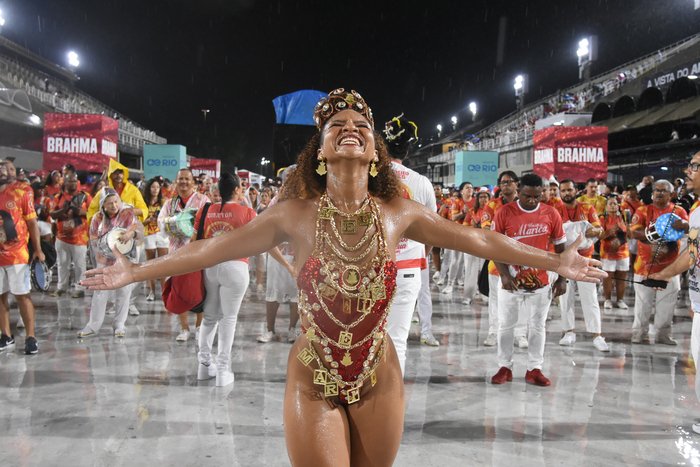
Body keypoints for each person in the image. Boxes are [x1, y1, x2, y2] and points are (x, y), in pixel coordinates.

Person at [83, 89, 605, 466]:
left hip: (379, 368)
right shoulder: (293, 213)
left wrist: (555, 262)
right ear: (322, 148)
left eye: (362, 125)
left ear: (377, 150)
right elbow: (210, 247)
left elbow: (482, 241)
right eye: (338, 125)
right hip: (313, 370)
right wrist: (135, 271)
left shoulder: (398, 210)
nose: (351, 127)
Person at [490, 174, 567, 386]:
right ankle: (504, 366)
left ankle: (534, 368)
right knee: (505, 325)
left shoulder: (551, 213)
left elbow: (561, 249)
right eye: (527, 196)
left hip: (541, 280)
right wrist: (504, 275)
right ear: (518, 192)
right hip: (510, 280)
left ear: (542, 193)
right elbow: (493, 246)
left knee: (538, 326)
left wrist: (562, 279)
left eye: (536, 196)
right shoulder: (504, 213)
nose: (532, 201)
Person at [384, 112, 440, 374]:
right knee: (397, 341)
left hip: (371, 268)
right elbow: (432, 232)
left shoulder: (367, 180)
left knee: (366, 341)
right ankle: (391, 408)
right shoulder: (422, 183)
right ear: (407, 150)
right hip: (408, 268)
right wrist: (421, 254)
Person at [649, 152, 700, 434]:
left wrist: (663, 274)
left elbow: (692, 254)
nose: (688, 170)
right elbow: (693, 253)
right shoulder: (695, 209)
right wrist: (663, 274)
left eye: (695, 166)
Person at [194, 173, 256, 386]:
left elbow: (195, 240)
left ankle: (203, 366)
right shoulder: (247, 212)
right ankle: (222, 370)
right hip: (236, 266)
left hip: (210, 266)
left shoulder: (206, 210)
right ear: (238, 190)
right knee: (229, 318)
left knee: (210, 317)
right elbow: (264, 239)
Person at [629, 179, 688, 345]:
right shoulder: (643, 210)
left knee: (667, 305)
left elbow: (688, 229)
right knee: (642, 305)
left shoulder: (679, 211)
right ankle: (639, 334)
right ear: (652, 193)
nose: (659, 193)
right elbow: (634, 232)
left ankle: (663, 335)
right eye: (656, 190)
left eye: (663, 191)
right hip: (644, 268)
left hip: (671, 269)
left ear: (671, 194)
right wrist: (654, 239)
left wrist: (683, 225)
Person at [78, 188, 143, 338]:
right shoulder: (97, 218)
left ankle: (119, 325)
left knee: (124, 291)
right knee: (100, 292)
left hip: (125, 260)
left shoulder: (127, 214)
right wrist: (100, 257)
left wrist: (130, 233)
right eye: (109, 203)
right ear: (103, 205)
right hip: (104, 260)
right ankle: (93, 326)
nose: (114, 206)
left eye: (116, 202)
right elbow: (93, 240)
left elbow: (138, 231)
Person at [555, 179, 609, 352]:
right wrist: (579, 230)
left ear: (575, 190)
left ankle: (597, 335)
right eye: (563, 191)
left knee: (590, 297)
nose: (566, 193)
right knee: (565, 298)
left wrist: (584, 230)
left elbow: (597, 230)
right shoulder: (555, 210)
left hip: (585, 258)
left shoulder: (587, 208)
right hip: (564, 260)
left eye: (569, 190)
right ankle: (568, 332)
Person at [158, 167, 210, 342]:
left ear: (193, 182)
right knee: (178, 291)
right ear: (176, 181)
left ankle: (199, 326)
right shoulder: (170, 203)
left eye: (187, 179)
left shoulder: (203, 200)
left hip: (198, 253)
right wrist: (174, 225)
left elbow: (208, 224)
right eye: (180, 179)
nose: (184, 182)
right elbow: (161, 223)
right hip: (177, 252)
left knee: (201, 289)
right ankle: (184, 328)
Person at [0, 160, 44, 354]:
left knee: (22, 296)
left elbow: (32, 223)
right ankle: (6, 336)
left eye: (8, 168)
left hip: (17, 254)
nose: (3, 170)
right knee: (0, 297)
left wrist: (38, 249)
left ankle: (30, 337)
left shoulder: (23, 190)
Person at [481, 171, 527, 348]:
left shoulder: (525, 204)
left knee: (521, 298)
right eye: (503, 182)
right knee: (495, 299)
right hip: (497, 261)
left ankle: (520, 334)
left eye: (509, 182)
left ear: (517, 184)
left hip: (521, 261)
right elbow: (487, 232)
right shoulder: (492, 205)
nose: (506, 185)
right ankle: (493, 332)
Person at [49, 172, 91, 298]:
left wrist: (80, 211)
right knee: (62, 264)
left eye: (74, 181)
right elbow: (52, 213)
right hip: (61, 237)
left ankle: (80, 288)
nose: (72, 183)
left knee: (79, 265)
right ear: (64, 182)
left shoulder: (85, 196)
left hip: (80, 238)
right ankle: (61, 287)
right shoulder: (58, 196)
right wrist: (63, 210)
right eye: (70, 181)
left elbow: (93, 213)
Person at [600, 196, 630, 310]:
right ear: (606, 207)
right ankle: (607, 300)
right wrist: (610, 232)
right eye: (610, 204)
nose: (613, 206)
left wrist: (621, 239)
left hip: (623, 252)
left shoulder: (624, 217)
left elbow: (629, 234)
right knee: (608, 277)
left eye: (615, 204)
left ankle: (620, 300)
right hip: (607, 253)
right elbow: (599, 236)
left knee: (621, 277)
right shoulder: (602, 219)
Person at [142, 177, 169, 301]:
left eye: (157, 187)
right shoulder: (143, 202)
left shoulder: (164, 202)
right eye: (153, 187)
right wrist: (148, 220)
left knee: (163, 264)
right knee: (150, 265)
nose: (155, 189)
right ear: (149, 188)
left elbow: (169, 217)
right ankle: (152, 292)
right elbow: (139, 222)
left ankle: (164, 292)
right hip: (149, 234)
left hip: (162, 235)